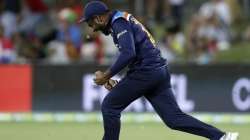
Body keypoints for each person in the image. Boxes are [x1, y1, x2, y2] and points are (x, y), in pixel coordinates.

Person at [79, 1, 239, 140]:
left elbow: (129, 53)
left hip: (147, 72)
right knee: (174, 119)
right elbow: (137, 57)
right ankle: (221, 136)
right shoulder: (121, 20)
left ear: (99, 18)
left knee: (109, 105)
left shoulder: (118, 23)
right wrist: (118, 84)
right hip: (157, 71)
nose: (92, 29)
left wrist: (106, 75)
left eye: (90, 23)